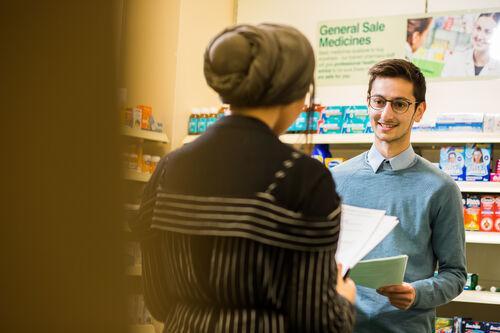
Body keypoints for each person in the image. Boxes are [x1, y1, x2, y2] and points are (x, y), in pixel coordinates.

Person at [131, 23, 356, 332]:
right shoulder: (304, 178)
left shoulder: (169, 167)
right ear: (292, 94)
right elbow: (319, 322)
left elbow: (157, 300)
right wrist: (344, 301)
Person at [332, 59, 467, 333]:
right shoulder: (336, 180)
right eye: (378, 101)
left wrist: (417, 293)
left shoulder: (441, 188)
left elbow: (455, 274)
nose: (386, 114)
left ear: (419, 111)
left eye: (400, 104)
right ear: (368, 103)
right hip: (341, 325)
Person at [441, 12, 500, 77]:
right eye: (478, 28)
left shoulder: (497, 68)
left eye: (488, 32)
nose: (479, 36)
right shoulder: (456, 59)